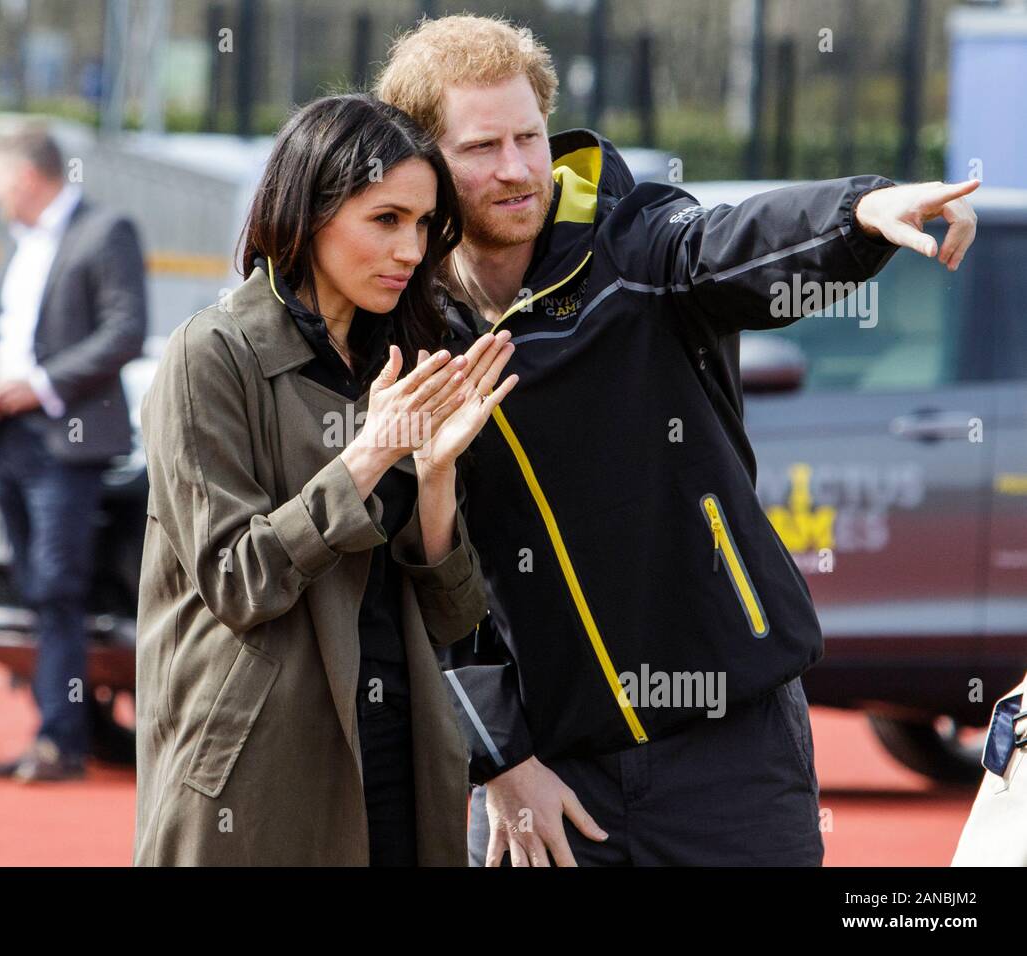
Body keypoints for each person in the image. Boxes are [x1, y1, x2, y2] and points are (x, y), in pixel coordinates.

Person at [374, 14, 979, 866]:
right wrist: (499, 758)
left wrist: (861, 213)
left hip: (733, 760)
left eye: (528, 137)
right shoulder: (406, 332)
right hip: (546, 778)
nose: (515, 169)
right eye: (481, 149)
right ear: (426, 163)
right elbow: (411, 575)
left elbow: (734, 245)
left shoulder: (637, 249)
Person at [133, 94, 516, 866]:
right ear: (308, 213)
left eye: (422, 225)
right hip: (259, 775)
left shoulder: (402, 360)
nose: (410, 249)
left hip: (403, 752)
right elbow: (240, 580)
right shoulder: (210, 355)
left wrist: (435, 475)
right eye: (385, 219)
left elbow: (452, 615)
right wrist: (368, 455)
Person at [0, 126, 147, 783]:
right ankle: (59, 730)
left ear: (27, 176)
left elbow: (126, 329)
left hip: (68, 445)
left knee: (60, 589)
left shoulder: (106, 231)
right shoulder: (14, 248)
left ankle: (59, 740)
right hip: (8, 441)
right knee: (36, 591)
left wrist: (37, 387)